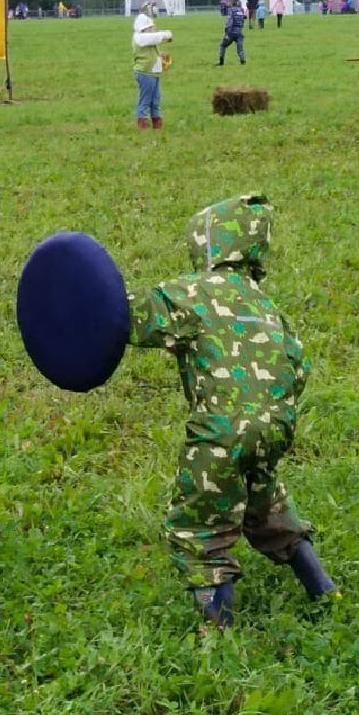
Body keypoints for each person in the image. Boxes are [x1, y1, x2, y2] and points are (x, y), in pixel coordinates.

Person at [128, 195, 337, 627]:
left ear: (207, 245)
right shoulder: (264, 304)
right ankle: (325, 591)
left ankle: (219, 636)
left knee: (200, 524)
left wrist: (84, 298)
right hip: (276, 426)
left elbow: (132, 315)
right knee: (266, 506)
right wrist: (275, 411)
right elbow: (298, 362)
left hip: (219, 433)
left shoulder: (192, 291)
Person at [131, 4, 173, 130]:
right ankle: (142, 125)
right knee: (145, 100)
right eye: (150, 27)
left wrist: (160, 56)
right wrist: (166, 34)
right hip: (145, 73)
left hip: (153, 73)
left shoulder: (147, 38)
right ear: (143, 28)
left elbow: (156, 40)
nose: (152, 29)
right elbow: (156, 37)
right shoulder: (139, 37)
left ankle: (157, 124)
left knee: (156, 100)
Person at [217, 0, 247, 66]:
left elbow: (230, 21)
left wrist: (227, 33)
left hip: (231, 33)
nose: (228, 3)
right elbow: (242, 21)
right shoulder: (240, 10)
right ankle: (243, 62)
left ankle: (221, 62)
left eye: (230, 1)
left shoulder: (231, 10)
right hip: (239, 32)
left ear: (233, 2)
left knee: (222, 46)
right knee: (240, 49)